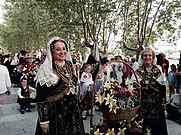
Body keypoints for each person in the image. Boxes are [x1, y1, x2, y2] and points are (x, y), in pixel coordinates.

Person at [35, 37, 85, 135]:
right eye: (58, 49)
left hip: (72, 113)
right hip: (55, 114)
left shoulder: (70, 65)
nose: (62, 52)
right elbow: (40, 96)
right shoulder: (46, 69)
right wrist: (44, 120)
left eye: (64, 48)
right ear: (52, 51)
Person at [135, 47, 168, 135]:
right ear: (142, 57)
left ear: (153, 57)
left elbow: (163, 87)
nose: (147, 57)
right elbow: (133, 88)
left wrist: (163, 102)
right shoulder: (138, 71)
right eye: (145, 55)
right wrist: (137, 86)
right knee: (142, 125)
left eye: (150, 55)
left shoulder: (158, 69)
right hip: (143, 104)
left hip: (156, 104)